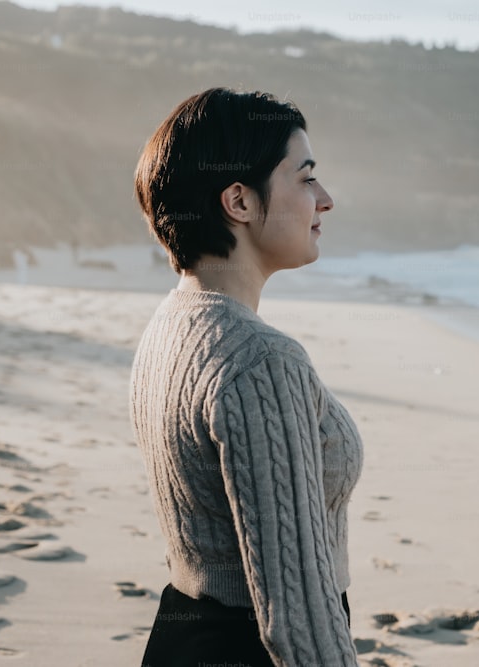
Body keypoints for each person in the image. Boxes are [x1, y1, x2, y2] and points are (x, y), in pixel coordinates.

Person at [129, 87, 363, 666]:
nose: (325, 200)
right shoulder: (261, 360)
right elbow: (298, 618)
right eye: (306, 178)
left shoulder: (170, 323)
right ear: (239, 200)